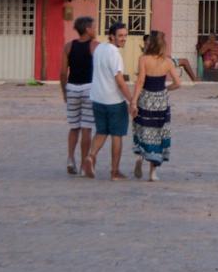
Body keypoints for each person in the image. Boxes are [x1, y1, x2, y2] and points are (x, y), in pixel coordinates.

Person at [83, 23, 135, 180]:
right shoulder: (115, 54)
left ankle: (90, 156)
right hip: (114, 101)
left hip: (97, 98)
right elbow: (119, 80)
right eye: (120, 35)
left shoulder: (100, 48)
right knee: (116, 135)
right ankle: (114, 171)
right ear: (112, 36)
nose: (124, 38)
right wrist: (131, 100)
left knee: (101, 131)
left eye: (125, 35)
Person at [131, 30, 181, 181]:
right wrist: (166, 89)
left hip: (146, 98)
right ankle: (152, 173)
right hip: (161, 100)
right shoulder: (167, 62)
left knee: (142, 128)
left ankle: (139, 158)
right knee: (158, 133)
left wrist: (133, 100)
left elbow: (140, 82)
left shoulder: (143, 59)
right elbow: (178, 83)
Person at [59, 16, 98, 175]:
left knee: (74, 127)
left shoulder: (68, 46)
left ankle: (70, 158)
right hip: (89, 89)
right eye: (94, 27)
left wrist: (64, 92)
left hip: (72, 88)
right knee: (86, 128)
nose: (95, 30)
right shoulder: (95, 46)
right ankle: (83, 165)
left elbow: (63, 73)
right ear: (88, 29)